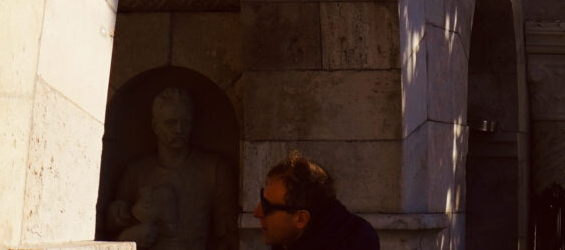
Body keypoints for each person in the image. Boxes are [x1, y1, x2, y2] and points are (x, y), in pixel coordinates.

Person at [107, 87, 233, 250]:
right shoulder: (135, 172)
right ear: (155, 126)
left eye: (185, 123)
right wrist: (127, 237)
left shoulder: (214, 169)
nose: (179, 130)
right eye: (171, 123)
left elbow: (228, 238)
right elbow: (114, 230)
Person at [252, 153, 378, 250]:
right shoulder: (287, 237)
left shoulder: (355, 241)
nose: (257, 213)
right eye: (262, 199)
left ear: (301, 219)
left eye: (267, 207)